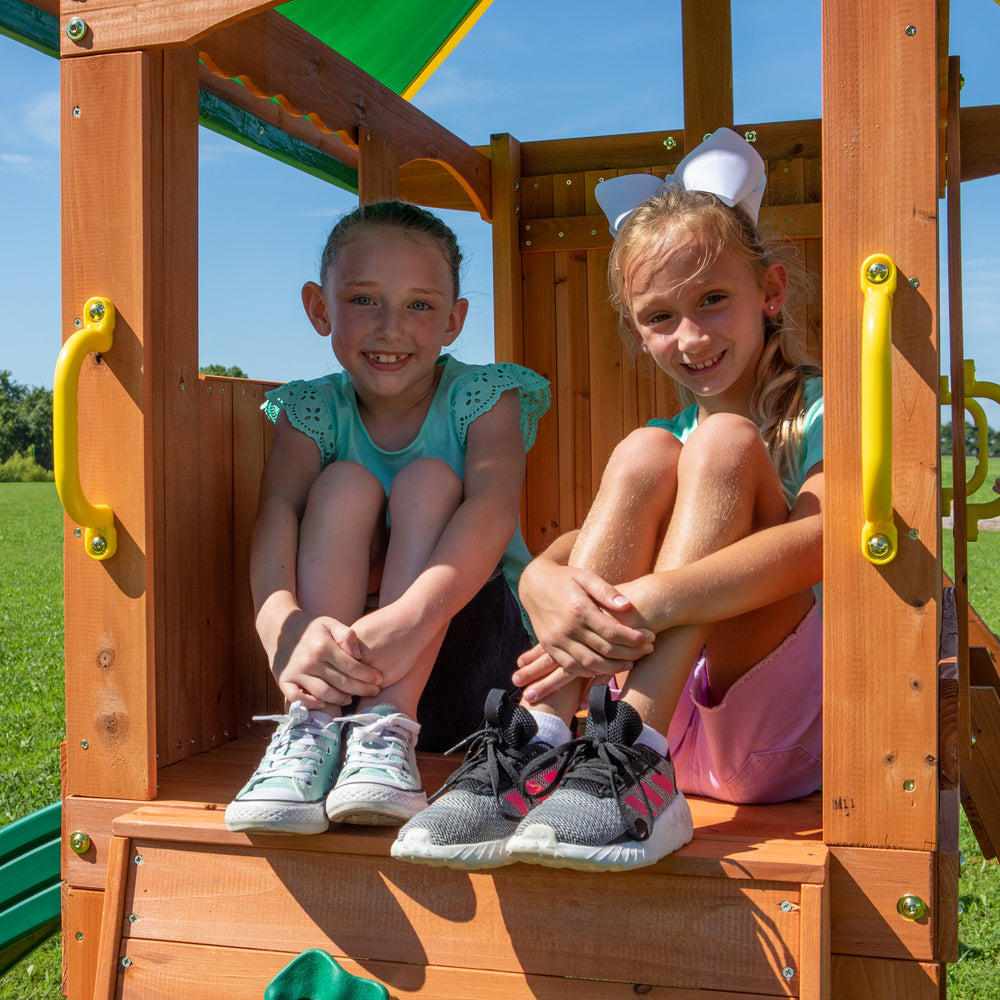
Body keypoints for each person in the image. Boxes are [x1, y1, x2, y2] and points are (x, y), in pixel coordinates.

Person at [392, 128, 822, 871]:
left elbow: (823, 537)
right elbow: (560, 555)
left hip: (772, 727)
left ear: (771, 292)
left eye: (713, 300)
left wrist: (650, 600)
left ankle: (637, 750)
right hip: (617, 757)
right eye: (661, 317)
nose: (690, 336)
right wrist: (542, 584)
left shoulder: (816, 406)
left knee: (722, 443)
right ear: (638, 331)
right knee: (644, 449)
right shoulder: (669, 436)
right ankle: (539, 743)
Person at [225, 200, 550, 835]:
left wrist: (406, 620)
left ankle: (385, 731)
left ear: (455, 320)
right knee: (342, 483)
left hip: (479, 665)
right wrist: (284, 633)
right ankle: (312, 727)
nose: (390, 327)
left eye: (420, 305)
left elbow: (492, 508)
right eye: (365, 300)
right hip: (338, 672)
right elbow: (276, 513)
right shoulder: (310, 408)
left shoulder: (485, 397)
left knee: (429, 480)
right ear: (320, 307)